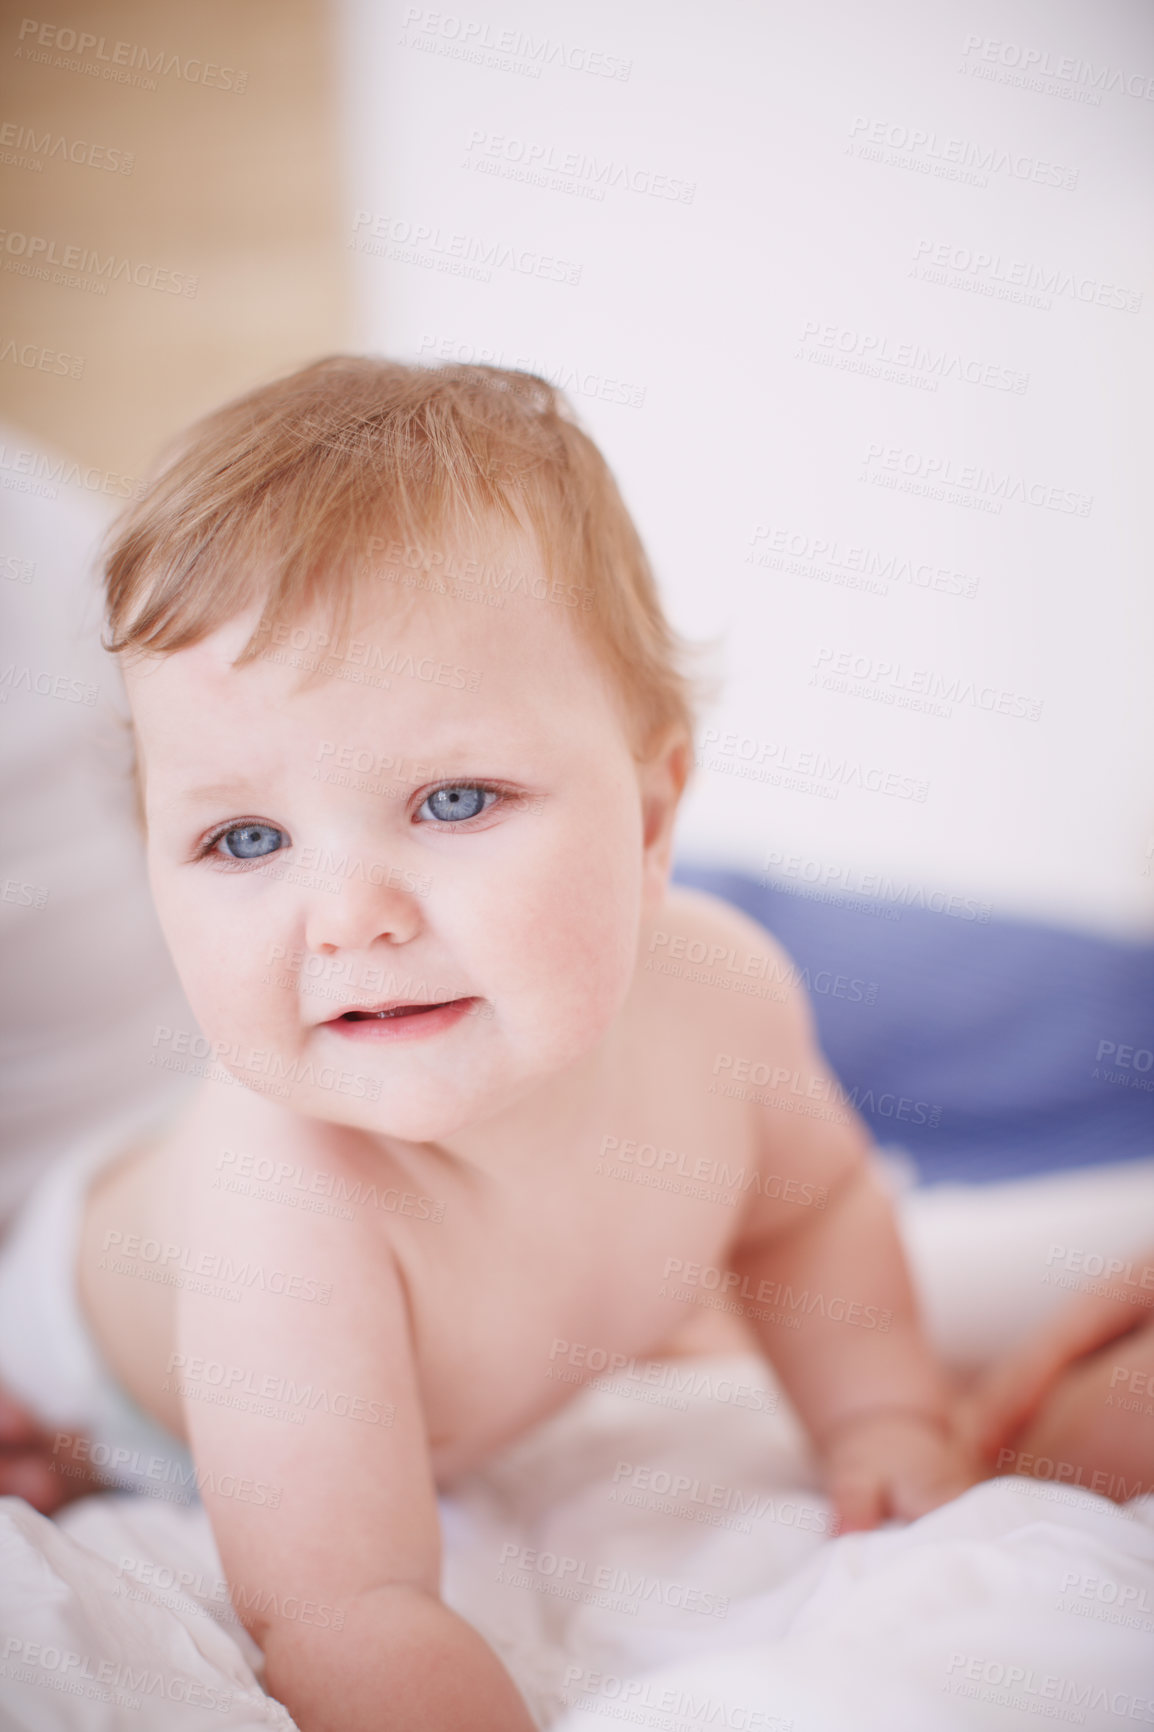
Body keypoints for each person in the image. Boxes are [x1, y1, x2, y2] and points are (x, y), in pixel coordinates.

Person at [0, 358, 978, 1732]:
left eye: (452, 800)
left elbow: (811, 1211)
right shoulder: (288, 1199)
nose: (349, 917)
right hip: (78, 1341)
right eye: (244, 839)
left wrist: (884, 1420)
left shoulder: (729, 1000)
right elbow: (345, 1610)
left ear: (649, 819)